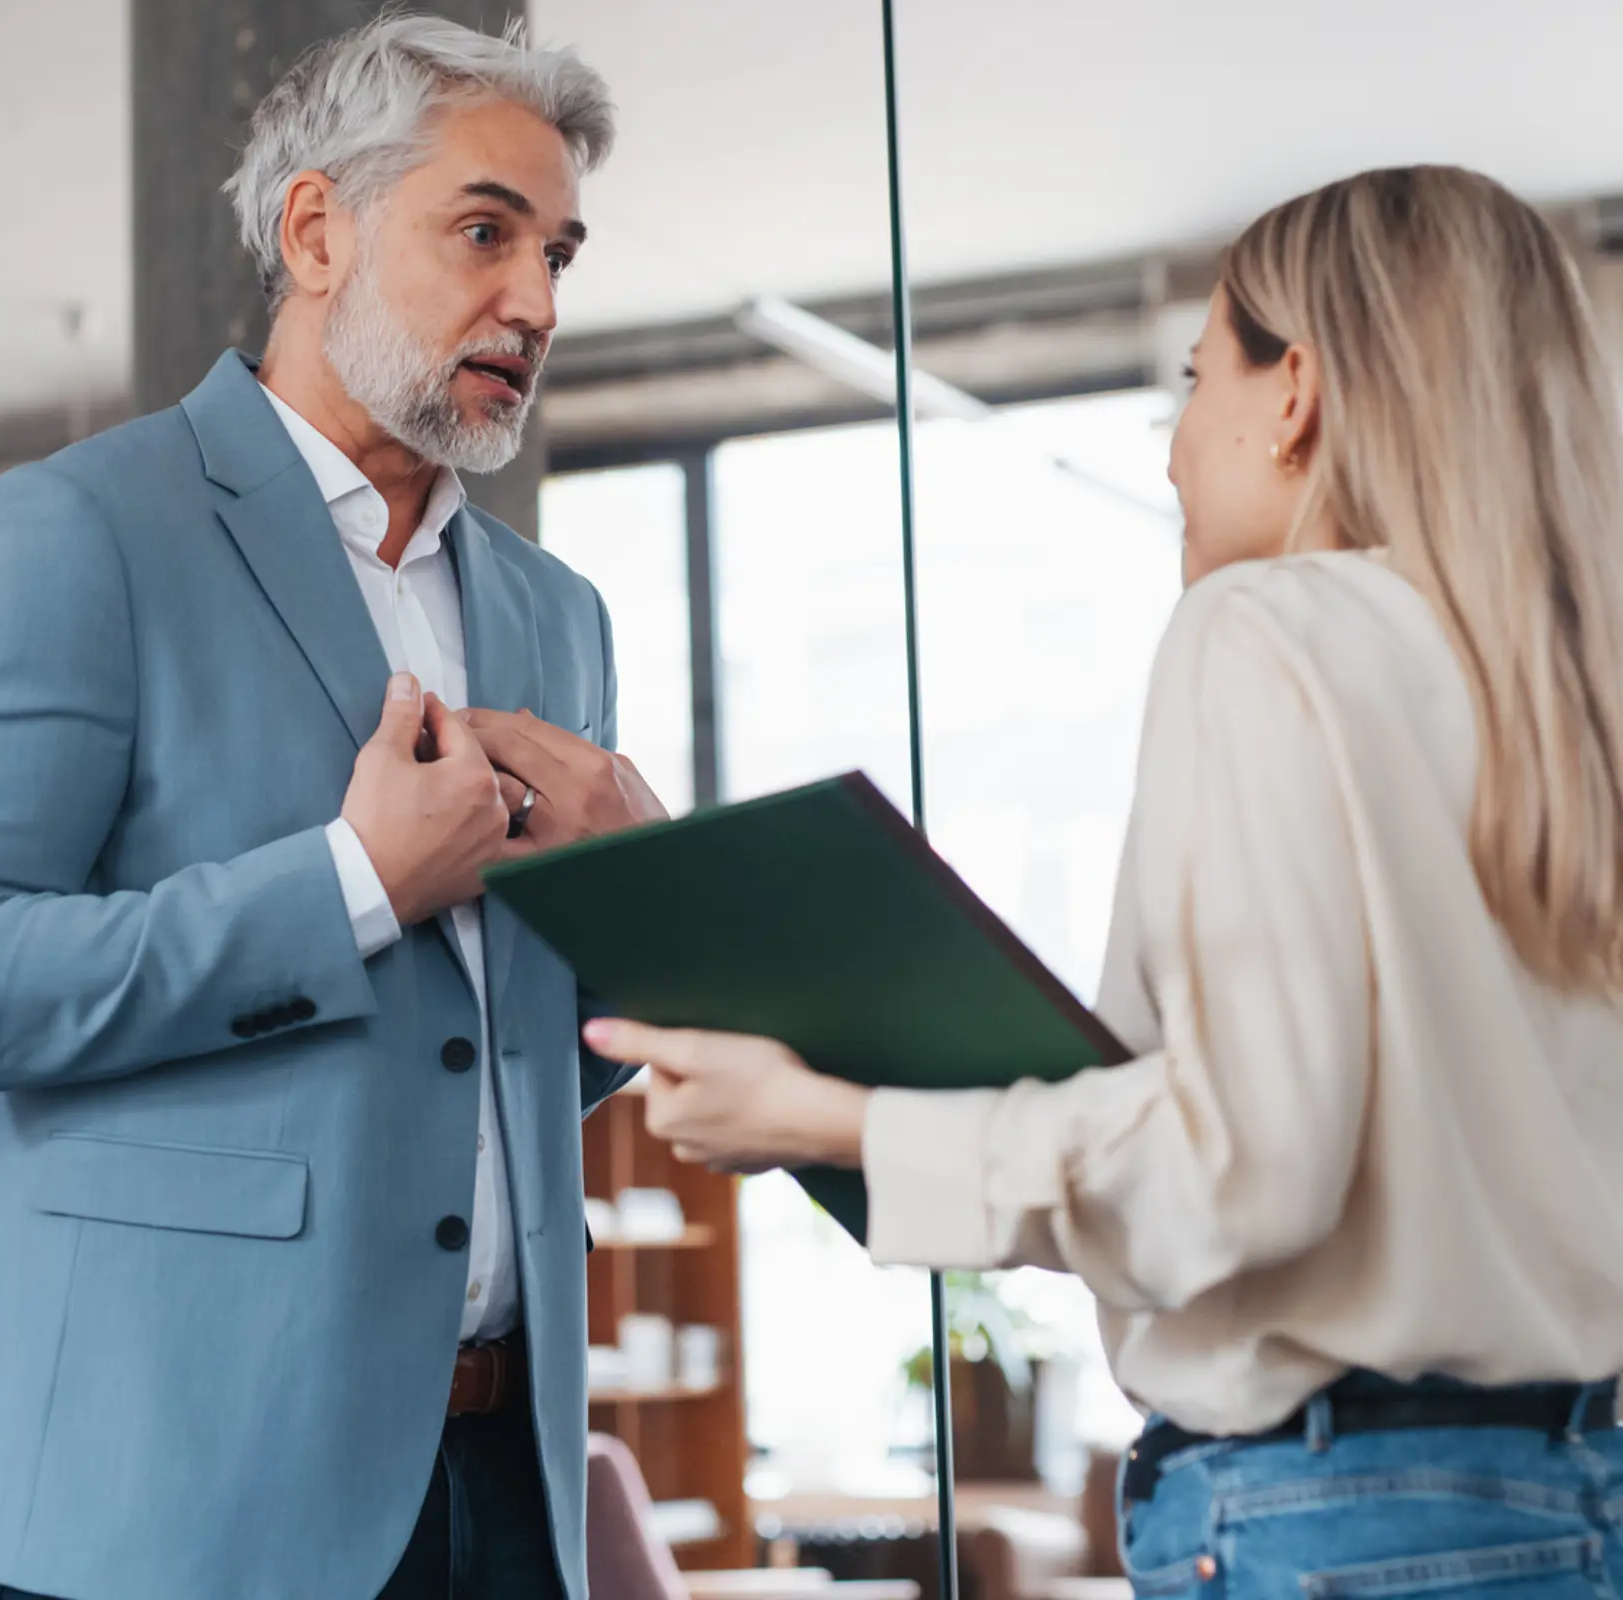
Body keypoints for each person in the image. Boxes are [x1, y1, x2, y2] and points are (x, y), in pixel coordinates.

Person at [590, 166, 1623, 1596]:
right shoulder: (1576, 699)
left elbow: (1244, 1166)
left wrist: (833, 1113)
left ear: (1296, 394)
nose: (1175, 444)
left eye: (1197, 379)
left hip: (1341, 1519)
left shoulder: (1265, 633)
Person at [0, 12, 661, 1600]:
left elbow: (483, 1071)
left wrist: (633, 925)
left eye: (560, 252)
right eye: (486, 233)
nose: (538, 302)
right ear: (315, 229)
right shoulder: (76, 533)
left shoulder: (563, 619)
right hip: (180, 1505)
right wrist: (353, 879)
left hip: (508, 1498)